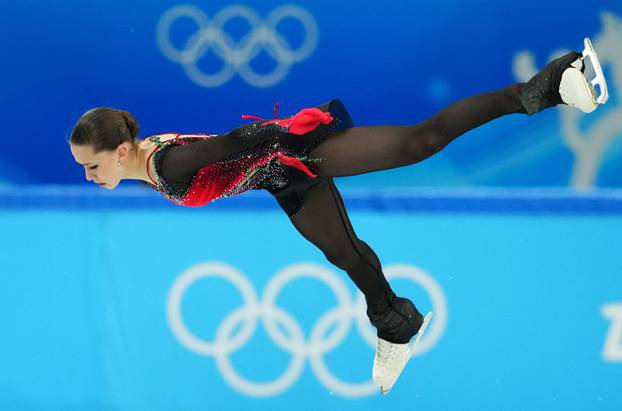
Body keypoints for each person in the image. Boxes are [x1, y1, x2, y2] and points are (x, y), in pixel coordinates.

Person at [69, 39, 608, 394]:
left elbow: (231, 141)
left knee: (420, 142)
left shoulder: (165, 162)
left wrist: (297, 133)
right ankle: (398, 324)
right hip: (281, 179)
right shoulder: (147, 163)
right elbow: (232, 152)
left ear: (120, 152)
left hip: (297, 156)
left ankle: (551, 84)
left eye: (91, 166)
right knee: (342, 253)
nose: (87, 177)